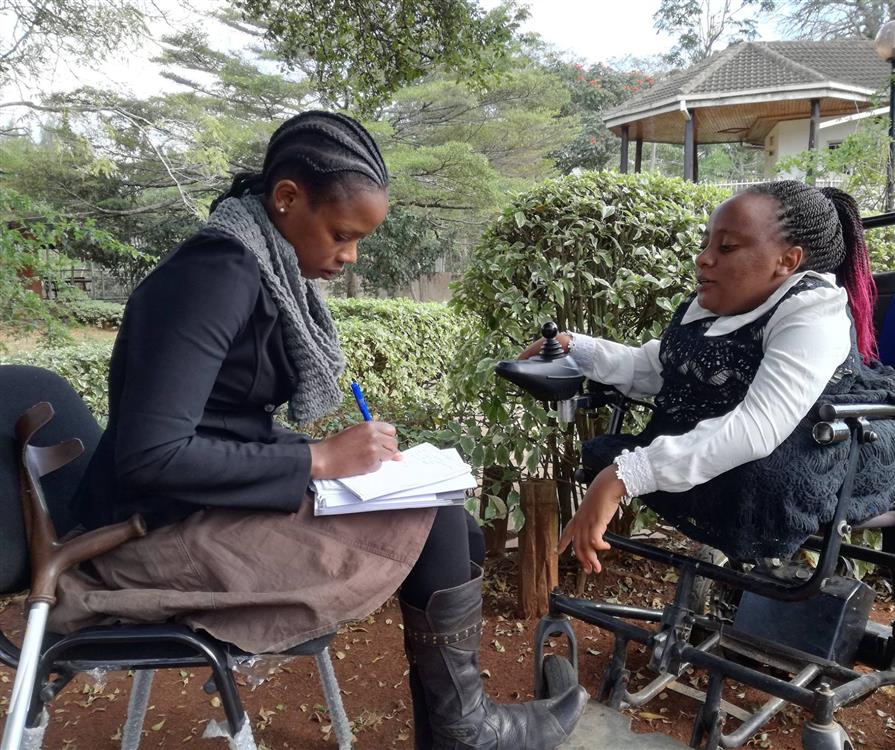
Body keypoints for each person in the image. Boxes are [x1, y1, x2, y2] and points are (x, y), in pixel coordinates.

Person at [48, 111, 587, 750]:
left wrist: (325, 459)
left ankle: (453, 729)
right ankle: (464, 732)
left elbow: (222, 421)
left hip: (197, 507)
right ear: (286, 198)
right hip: (145, 538)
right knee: (437, 521)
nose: (348, 255)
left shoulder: (257, 266)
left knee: (453, 520)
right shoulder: (214, 276)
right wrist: (318, 462)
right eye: (341, 234)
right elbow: (151, 456)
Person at [520, 181, 895, 573]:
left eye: (726, 247)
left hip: (823, 448)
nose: (703, 259)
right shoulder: (722, 301)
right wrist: (578, 348)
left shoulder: (814, 312)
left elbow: (758, 427)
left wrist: (624, 476)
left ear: (788, 261)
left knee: (752, 475)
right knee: (694, 455)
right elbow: (663, 368)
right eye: (706, 243)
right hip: (751, 443)